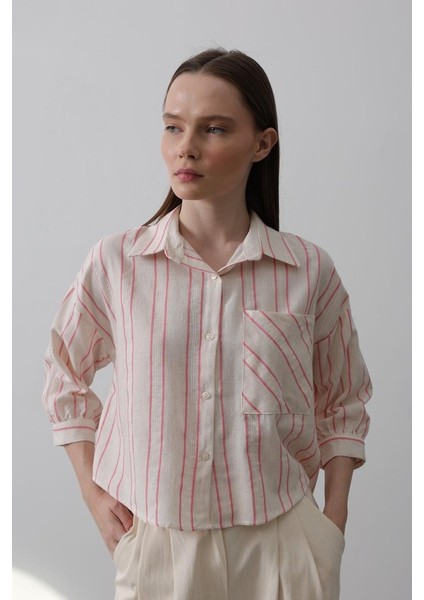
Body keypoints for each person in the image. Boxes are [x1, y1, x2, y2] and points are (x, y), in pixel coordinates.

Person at [42, 48, 372, 600]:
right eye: (173, 127)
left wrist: (331, 523)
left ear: (262, 144)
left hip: (283, 547)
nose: (186, 147)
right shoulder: (117, 263)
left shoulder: (308, 271)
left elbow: (344, 402)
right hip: (159, 548)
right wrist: (92, 494)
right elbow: (63, 375)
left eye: (213, 129)